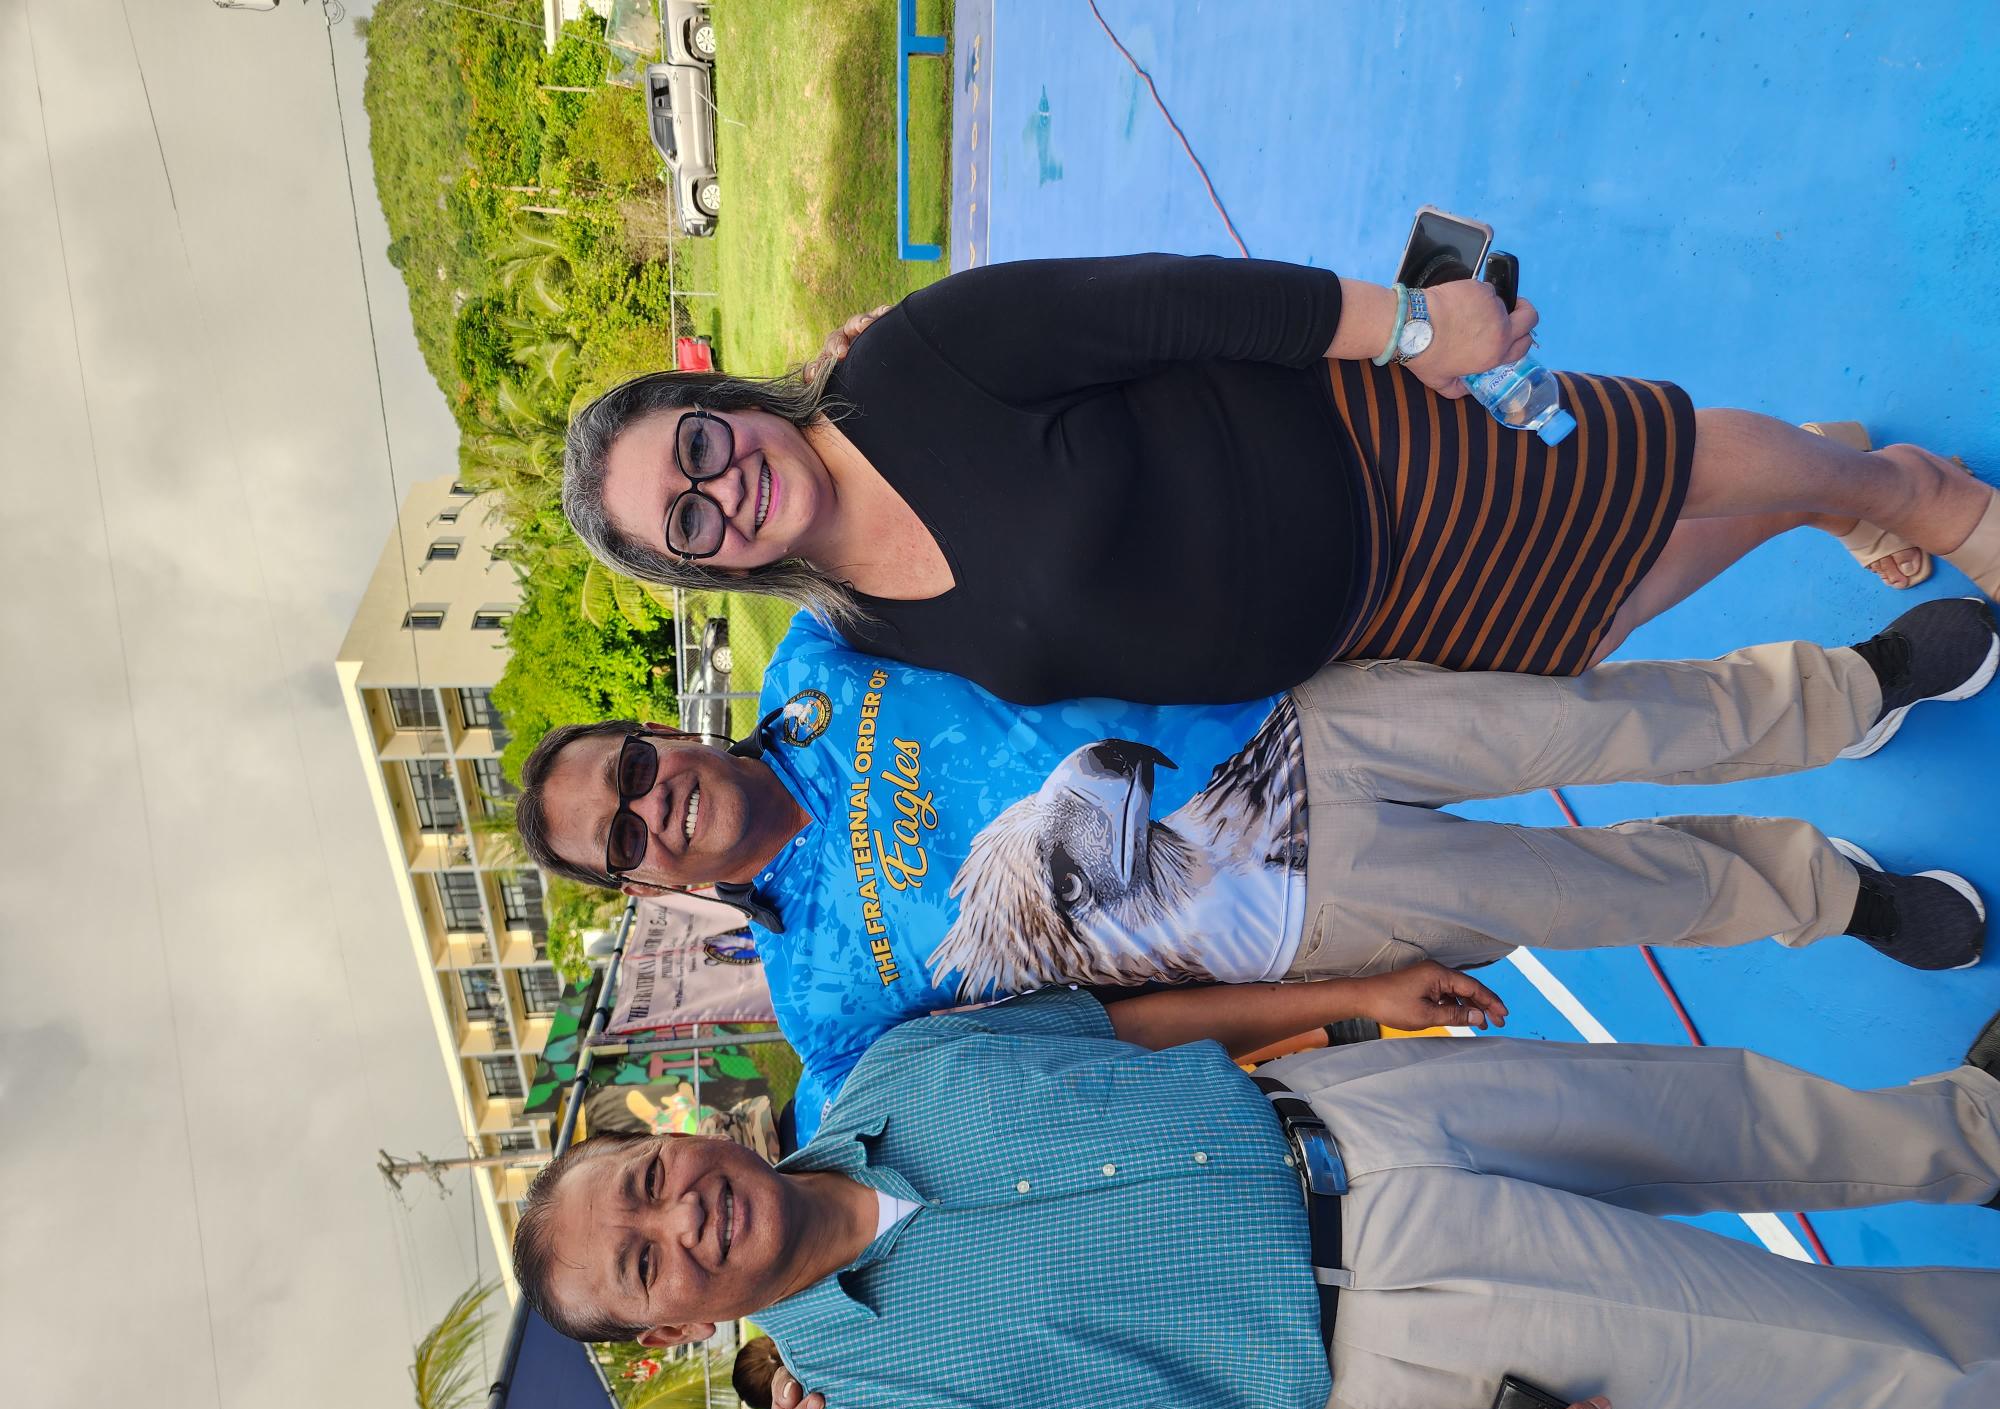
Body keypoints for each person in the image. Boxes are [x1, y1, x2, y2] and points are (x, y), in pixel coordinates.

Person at [514, 597, 1995, 1133]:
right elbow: (919, 1157)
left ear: (657, 728)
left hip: (1300, 724)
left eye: (633, 766)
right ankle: (1832, 894)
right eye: (624, 834)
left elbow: (935, 525)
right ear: (642, 888)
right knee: (1614, 898)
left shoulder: (814, 647)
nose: (657, 803)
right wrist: (813, 1391)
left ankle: (1853, 687)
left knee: (1608, 720)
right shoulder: (822, 1013)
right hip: (1296, 918)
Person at [509, 985, 2000, 1409]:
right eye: (643, 1260)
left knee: (1733, 1112)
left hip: (1359, 1102)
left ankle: (1973, 1134)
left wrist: (1360, 992)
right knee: (1808, 1350)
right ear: (670, 1332)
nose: (677, 1213)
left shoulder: (891, 1074)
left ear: (669, 1132)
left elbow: (1126, 1026)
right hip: (1388, 1316)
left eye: (641, 1175)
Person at [557, 252, 2000, 706]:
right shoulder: (864, 633)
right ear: (705, 567)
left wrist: (1427, 332)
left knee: (1654, 464)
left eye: (696, 445)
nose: (721, 486)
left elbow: (1176, 302)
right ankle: (1828, 490)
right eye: (687, 522)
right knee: (1600, 619)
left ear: (718, 398)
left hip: (1387, 458)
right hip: (1372, 634)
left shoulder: (927, 360)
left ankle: (1923, 496)